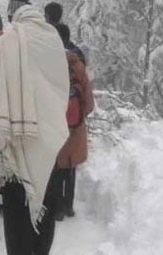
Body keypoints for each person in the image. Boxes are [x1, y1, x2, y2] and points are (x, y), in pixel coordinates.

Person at [0, 0, 70, 255]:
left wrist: (0, 140)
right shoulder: (52, 40)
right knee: (44, 208)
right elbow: (61, 89)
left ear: (13, 15)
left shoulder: (6, 42)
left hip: (14, 148)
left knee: (16, 218)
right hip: (48, 144)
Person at [53, 23, 94, 221]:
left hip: (55, 123)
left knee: (55, 166)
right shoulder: (78, 64)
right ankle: (68, 206)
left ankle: (56, 207)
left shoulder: (48, 63)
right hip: (75, 124)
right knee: (70, 166)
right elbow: (89, 100)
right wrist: (80, 117)